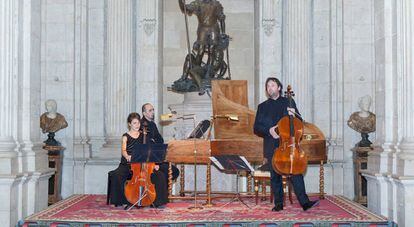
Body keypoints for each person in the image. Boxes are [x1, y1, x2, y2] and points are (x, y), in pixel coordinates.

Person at [253, 77, 319, 212]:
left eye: (273, 85)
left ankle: (305, 202)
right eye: (268, 86)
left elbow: (300, 122)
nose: (270, 88)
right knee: (275, 175)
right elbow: (256, 128)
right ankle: (278, 204)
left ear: (279, 88)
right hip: (272, 145)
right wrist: (269, 130)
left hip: (289, 145)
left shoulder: (288, 102)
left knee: (296, 173)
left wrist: (294, 114)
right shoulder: (262, 107)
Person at [108, 112, 168, 208]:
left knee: (160, 175)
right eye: (134, 123)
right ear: (129, 124)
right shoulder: (125, 136)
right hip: (128, 164)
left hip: (143, 164)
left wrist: (154, 164)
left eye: (138, 123)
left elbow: (149, 152)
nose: (137, 125)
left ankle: (158, 202)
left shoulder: (144, 136)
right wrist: (127, 156)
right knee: (116, 175)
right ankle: (123, 200)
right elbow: (123, 150)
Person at [141, 103, 180, 182]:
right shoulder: (142, 125)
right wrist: (154, 142)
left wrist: (154, 141)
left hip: (156, 157)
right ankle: (160, 191)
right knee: (169, 171)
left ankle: (161, 191)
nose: (153, 112)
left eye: (153, 110)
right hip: (148, 160)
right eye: (150, 110)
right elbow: (148, 143)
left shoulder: (152, 124)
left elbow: (160, 140)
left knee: (174, 171)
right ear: (144, 113)